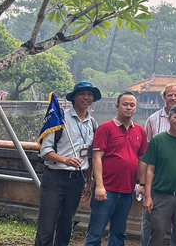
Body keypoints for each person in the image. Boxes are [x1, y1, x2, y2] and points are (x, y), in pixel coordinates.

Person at [35, 81, 100, 246]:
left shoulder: (93, 124)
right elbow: (45, 150)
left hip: (77, 180)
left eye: (89, 94)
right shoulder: (60, 119)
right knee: (47, 224)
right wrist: (65, 160)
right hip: (55, 177)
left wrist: (88, 181)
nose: (86, 98)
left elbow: (91, 156)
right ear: (74, 97)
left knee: (66, 225)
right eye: (82, 94)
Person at [84, 92, 147, 246]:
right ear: (117, 107)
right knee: (95, 232)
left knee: (119, 233)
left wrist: (142, 184)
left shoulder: (140, 131)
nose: (129, 107)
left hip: (127, 190)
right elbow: (97, 158)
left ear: (136, 108)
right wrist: (99, 185)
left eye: (132, 105)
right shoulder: (105, 128)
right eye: (125, 104)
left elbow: (141, 160)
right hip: (106, 190)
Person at [142, 83, 176, 246]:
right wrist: (144, 186)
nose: (173, 98)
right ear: (164, 97)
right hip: (158, 185)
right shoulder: (152, 119)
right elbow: (147, 155)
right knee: (153, 226)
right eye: (169, 95)